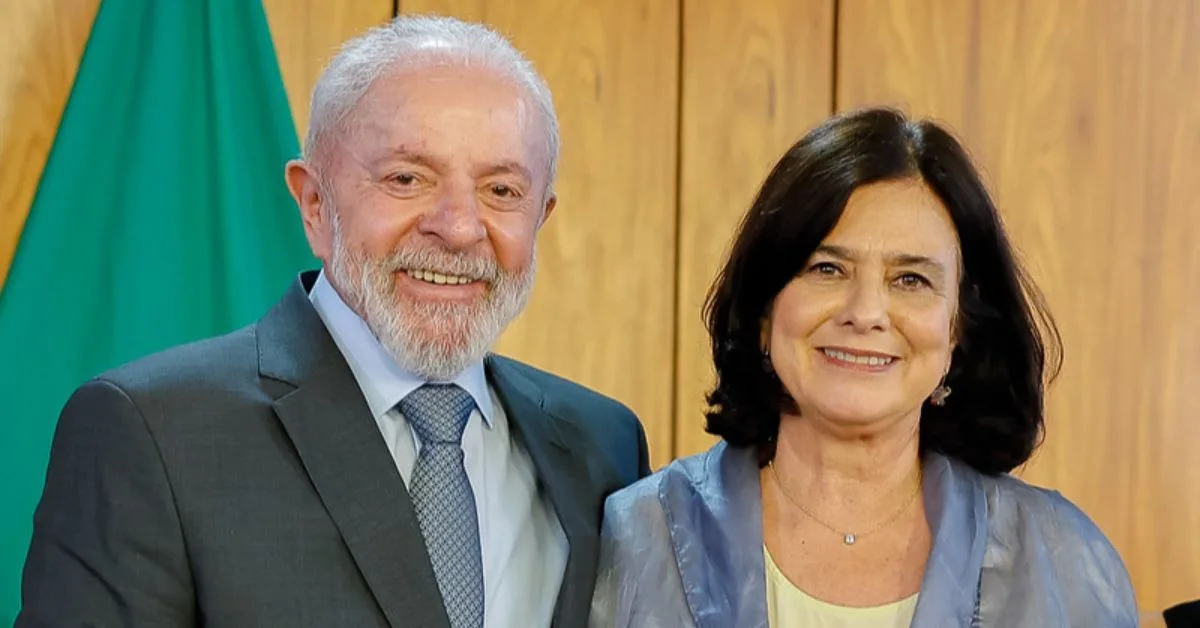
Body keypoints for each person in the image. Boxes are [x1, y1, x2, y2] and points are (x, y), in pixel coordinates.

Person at [19, 14, 650, 628]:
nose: (459, 228)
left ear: (540, 218)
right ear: (315, 204)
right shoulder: (150, 433)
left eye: (502, 191)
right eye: (408, 178)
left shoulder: (604, 448)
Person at [589, 108, 1138, 627]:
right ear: (764, 310)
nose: (866, 314)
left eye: (911, 280)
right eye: (827, 268)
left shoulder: (1063, 562)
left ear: (958, 329)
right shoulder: (642, 533)